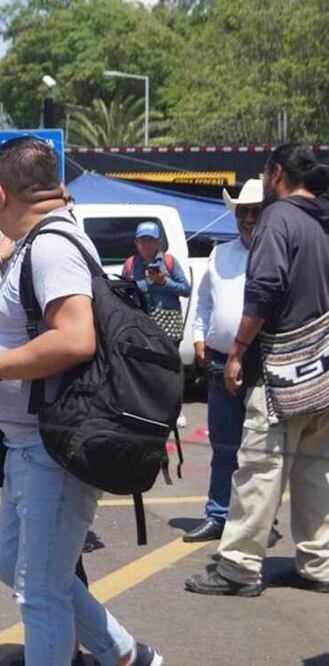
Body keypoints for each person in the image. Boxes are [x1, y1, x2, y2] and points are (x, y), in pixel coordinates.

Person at [0, 137, 161, 664]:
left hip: (52, 448)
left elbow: (75, 339)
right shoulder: (37, 242)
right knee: (14, 567)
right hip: (29, 445)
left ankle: (122, 656)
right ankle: (126, 655)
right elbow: (34, 335)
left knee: (40, 593)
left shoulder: (52, 247)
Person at [186, 144, 329, 597]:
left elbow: (265, 289)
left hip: (278, 369)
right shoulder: (321, 219)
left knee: (259, 468)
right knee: (314, 471)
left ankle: (239, 567)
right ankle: (318, 564)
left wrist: (237, 351)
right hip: (321, 365)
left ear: (276, 173)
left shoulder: (278, 218)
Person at [183, 179, 264, 543]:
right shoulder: (220, 254)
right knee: (224, 444)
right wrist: (200, 337)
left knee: (261, 448)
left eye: (255, 212)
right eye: (242, 212)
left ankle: (256, 521)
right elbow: (203, 301)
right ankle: (218, 513)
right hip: (218, 360)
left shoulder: (277, 253)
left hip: (261, 361)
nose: (247, 219)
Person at [122, 220, 192, 427]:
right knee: (144, 367)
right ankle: (149, 411)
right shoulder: (130, 264)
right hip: (142, 323)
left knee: (170, 367)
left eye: (150, 240)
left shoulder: (169, 262)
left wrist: (164, 282)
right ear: (136, 243)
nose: (146, 245)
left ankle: (175, 409)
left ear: (158, 243)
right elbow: (125, 291)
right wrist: (144, 284)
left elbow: (186, 289)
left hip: (168, 323)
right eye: (142, 240)